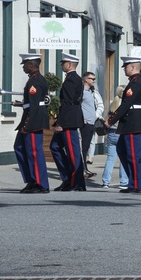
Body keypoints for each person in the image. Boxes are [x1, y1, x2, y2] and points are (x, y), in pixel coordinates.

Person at [105, 56, 141, 193]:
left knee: (133, 155)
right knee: (122, 150)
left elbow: (125, 105)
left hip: (133, 123)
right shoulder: (134, 82)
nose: (124, 69)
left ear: (132, 67)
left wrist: (111, 120)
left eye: (126, 66)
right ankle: (134, 181)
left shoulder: (135, 84)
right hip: (129, 122)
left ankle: (136, 184)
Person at [14, 53, 51, 193]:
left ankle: (40, 183)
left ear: (31, 65)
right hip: (31, 118)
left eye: (24, 64)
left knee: (34, 152)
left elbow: (35, 106)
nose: (23, 67)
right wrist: (20, 104)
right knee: (19, 147)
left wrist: (27, 126)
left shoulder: (34, 81)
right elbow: (32, 103)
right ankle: (31, 179)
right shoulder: (33, 80)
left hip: (34, 121)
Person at [50, 52, 87, 191]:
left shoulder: (72, 80)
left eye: (63, 63)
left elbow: (68, 103)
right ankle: (67, 179)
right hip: (69, 118)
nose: (61, 65)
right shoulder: (73, 79)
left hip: (68, 121)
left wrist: (60, 123)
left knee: (73, 152)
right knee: (55, 146)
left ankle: (77, 182)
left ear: (70, 64)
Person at [101, 85, 130, 189]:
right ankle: (123, 181)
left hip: (112, 132)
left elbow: (108, 117)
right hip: (122, 132)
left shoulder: (113, 103)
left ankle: (105, 182)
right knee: (123, 158)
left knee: (110, 158)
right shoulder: (126, 104)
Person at [80, 71, 104, 178]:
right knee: (83, 147)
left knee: (87, 146)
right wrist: (81, 118)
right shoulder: (82, 92)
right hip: (84, 123)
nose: (94, 81)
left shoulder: (92, 92)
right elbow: (77, 106)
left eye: (94, 79)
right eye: (92, 79)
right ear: (85, 79)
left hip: (91, 122)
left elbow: (100, 105)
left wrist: (96, 116)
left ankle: (85, 168)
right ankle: (83, 169)